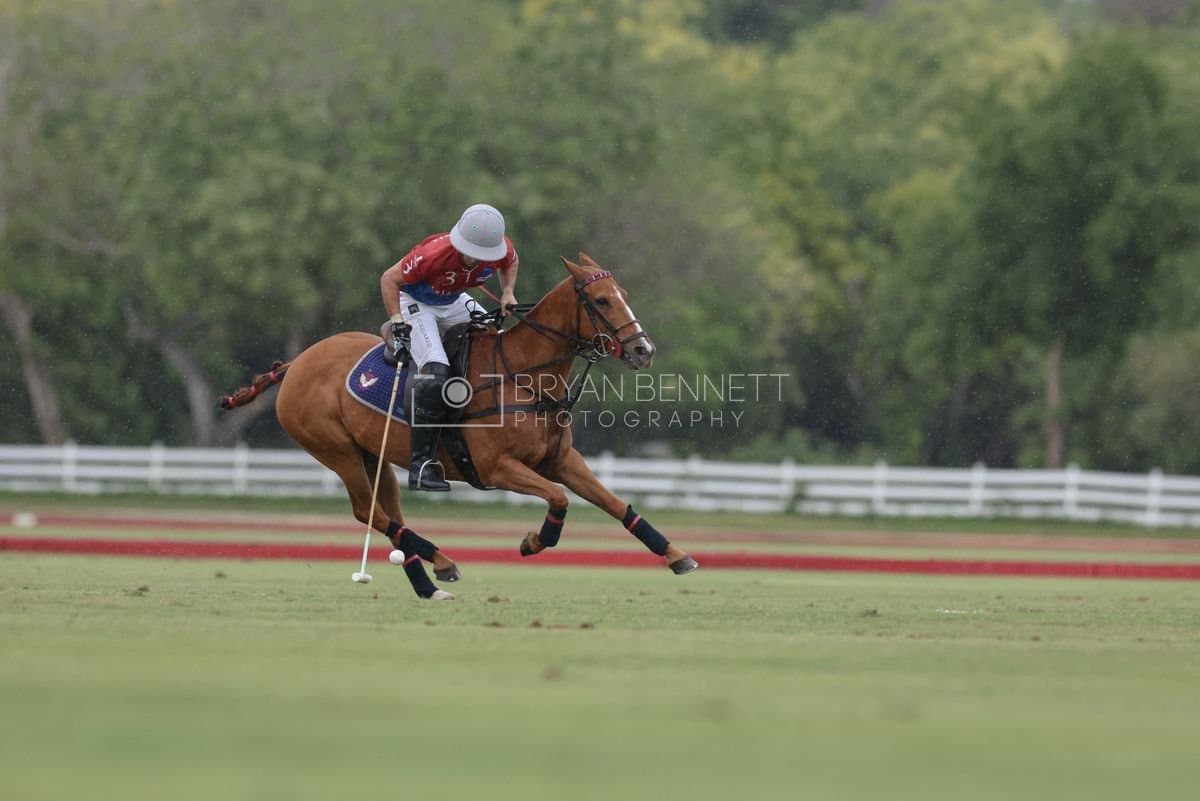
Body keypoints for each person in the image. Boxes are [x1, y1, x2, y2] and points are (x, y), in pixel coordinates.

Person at [379, 203, 519, 491]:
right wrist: (397, 320)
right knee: (436, 370)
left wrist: (508, 292)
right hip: (415, 303)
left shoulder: (501, 247)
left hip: (453, 300)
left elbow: (511, 263)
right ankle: (421, 464)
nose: (478, 261)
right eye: (473, 254)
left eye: (484, 256)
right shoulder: (433, 254)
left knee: (497, 342)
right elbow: (389, 279)